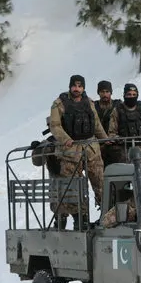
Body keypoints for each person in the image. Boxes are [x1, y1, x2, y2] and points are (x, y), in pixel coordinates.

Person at [49, 74, 109, 229]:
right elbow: (55, 126)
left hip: (91, 150)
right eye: (74, 86)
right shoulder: (59, 104)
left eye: (80, 86)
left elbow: (96, 124)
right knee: (74, 188)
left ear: (83, 87)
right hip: (70, 152)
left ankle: (106, 218)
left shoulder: (89, 103)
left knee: (100, 183)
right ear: (70, 86)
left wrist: (105, 138)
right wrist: (65, 139)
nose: (77, 89)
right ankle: (80, 219)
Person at [93, 80, 124, 168]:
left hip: (114, 143)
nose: (105, 94)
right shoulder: (93, 106)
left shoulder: (118, 105)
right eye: (102, 92)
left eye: (107, 92)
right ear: (98, 93)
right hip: (98, 144)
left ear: (111, 93)